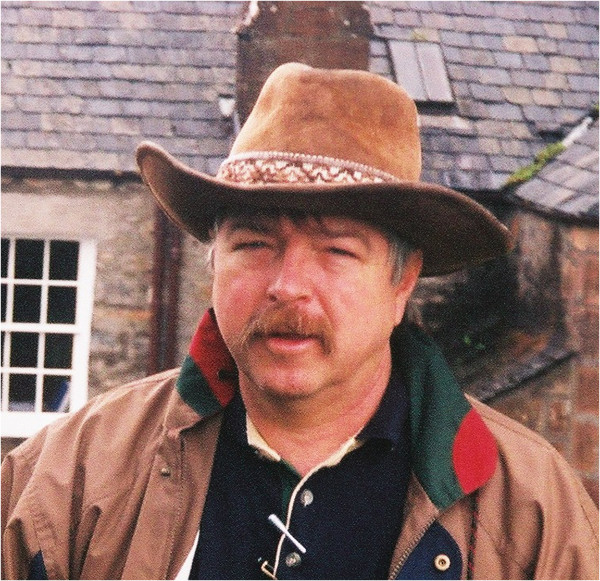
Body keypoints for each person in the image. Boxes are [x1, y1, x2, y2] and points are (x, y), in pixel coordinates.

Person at [2, 63, 598, 580]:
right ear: (214, 262)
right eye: (254, 243)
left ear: (403, 282)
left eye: (337, 250)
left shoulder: (533, 513)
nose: (287, 285)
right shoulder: (68, 477)